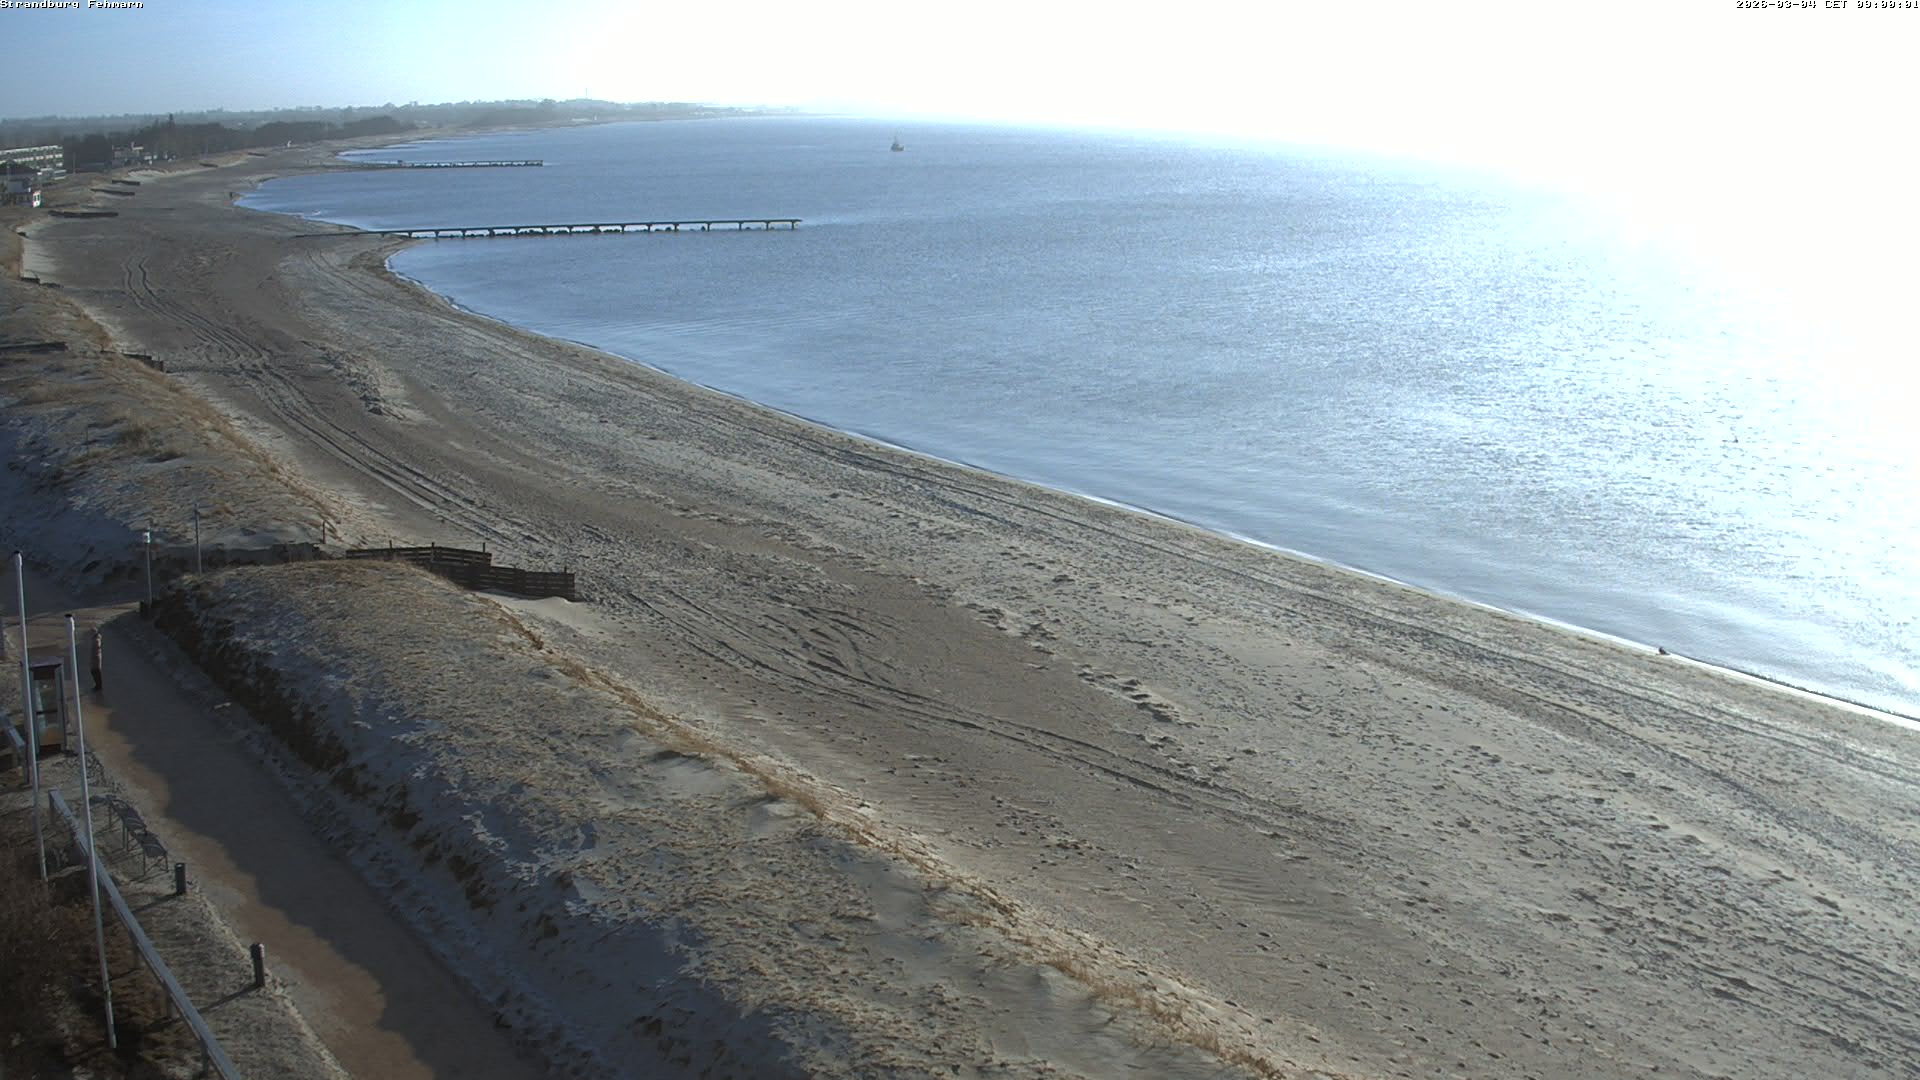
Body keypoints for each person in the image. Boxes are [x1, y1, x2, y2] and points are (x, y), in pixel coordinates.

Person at [89, 628, 104, 693]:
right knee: (95, 671)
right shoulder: (95, 639)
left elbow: (98, 646)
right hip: (95, 657)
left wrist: (96, 654)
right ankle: (98, 685)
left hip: (96, 658)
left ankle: (98, 686)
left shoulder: (96, 640)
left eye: (91, 632)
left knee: (95, 671)